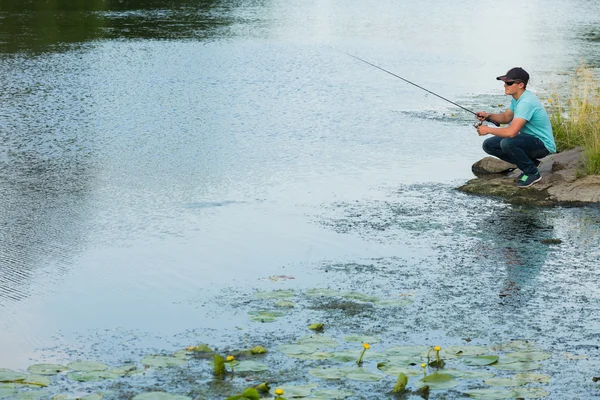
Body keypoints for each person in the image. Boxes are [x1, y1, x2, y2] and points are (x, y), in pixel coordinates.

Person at [475, 67, 556, 187]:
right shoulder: (518, 99)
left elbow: (512, 132)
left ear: (521, 85)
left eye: (509, 83)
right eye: (504, 82)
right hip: (529, 140)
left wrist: (488, 130)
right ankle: (530, 164)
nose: (505, 85)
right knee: (489, 145)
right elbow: (506, 118)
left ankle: (532, 173)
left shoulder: (526, 102)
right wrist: (488, 116)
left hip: (542, 144)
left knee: (508, 143)